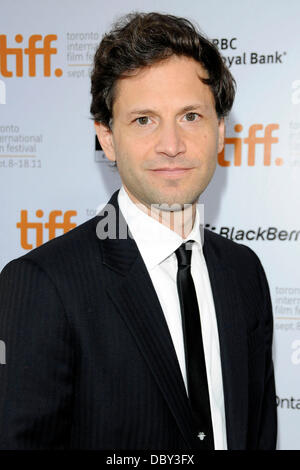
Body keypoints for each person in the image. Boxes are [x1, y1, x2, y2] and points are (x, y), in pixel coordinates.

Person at [0, 12, 277, 450]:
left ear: (220, 131)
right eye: (143, 119)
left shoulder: (244, 271)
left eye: (190, 116)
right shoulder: (44, 284)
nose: (171, 144)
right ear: (107, 138)